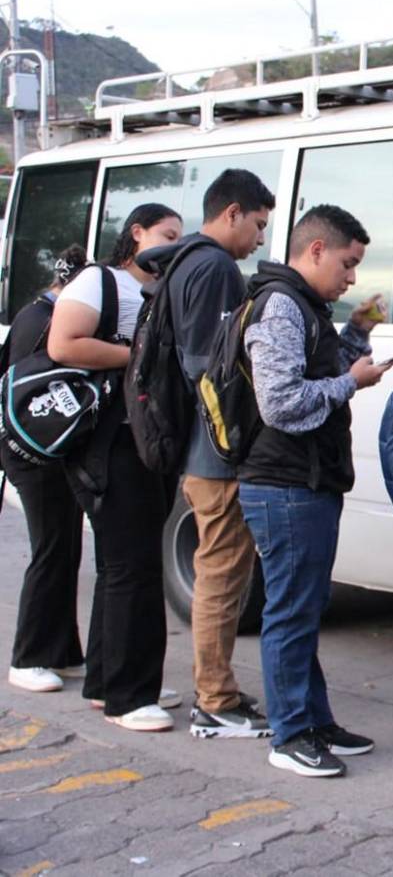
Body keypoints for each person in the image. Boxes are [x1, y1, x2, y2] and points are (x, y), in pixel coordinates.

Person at [237, 204, 392, 777]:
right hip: (283, 484)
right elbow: (279, 404)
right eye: (347, 265)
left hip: (303, 482)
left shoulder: (303, 305)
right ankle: (290, 733)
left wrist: (355, 334)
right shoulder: (280, 305)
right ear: (317, 250)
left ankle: (313, 720)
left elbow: (312, 375)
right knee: (290, 612)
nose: (351, 278)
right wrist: (350, 382)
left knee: (304, 608)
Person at [139, 168, 276, 740]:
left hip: (196, 449)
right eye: (259, 225)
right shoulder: (216, 268)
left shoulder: (182, 262)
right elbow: (211, 369)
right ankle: (214, 699)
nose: (260, 239)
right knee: (222, 574)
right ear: (232, 214)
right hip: (215, 454)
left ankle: (215, 689)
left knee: (216, 570)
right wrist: (237, 442)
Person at [47, 204, 185, 731]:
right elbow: (64, 344)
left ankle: (107, 681)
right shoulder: (98, 281)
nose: (172, 245)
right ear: (137, 234)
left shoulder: (153, 290)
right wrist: (139, 354)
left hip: (141, 440)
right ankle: (129, 696)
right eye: (165, 235)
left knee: (120, 567)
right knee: (133, 569)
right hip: (111, 441)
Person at [5, 245, 88, 693]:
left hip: (44, 454)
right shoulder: (42, 321)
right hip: (33, 455)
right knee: (51, 551)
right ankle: (28, 656)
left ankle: (63, 651)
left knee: (66, 549)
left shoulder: (36, 314)